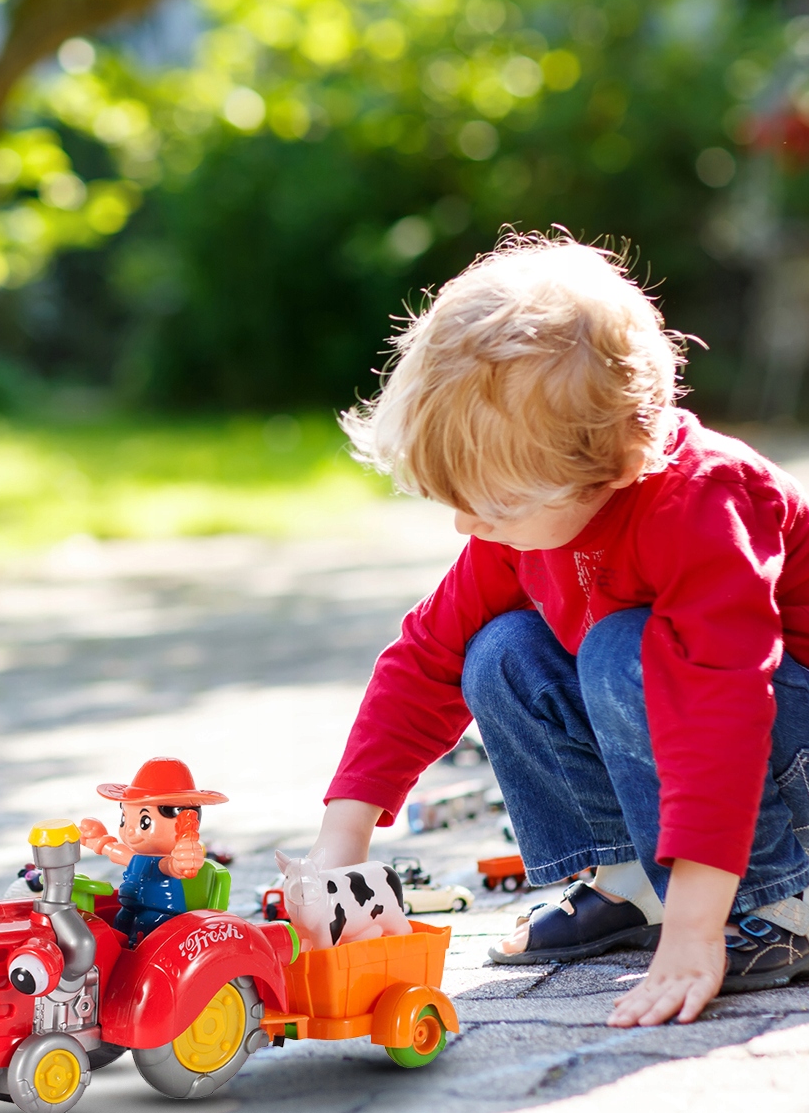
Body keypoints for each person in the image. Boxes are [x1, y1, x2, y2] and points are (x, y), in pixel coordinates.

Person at [308, 233, 809, 1028]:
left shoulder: (706, 504)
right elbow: (421, 662)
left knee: (618, 650)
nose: (470, 523)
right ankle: (632, 881)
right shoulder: (517, 532)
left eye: (495, 504)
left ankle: (776, 902)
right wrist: (340, 848)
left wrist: (695, 930)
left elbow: (724, 712)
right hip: (703, 734)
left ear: (607, 470)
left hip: (777, 747)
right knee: (499, 653)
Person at [78, 757, 226, 943]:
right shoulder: (139, 857)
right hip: (131, 906)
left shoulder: (164, 862)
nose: (130, 829)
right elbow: (116, 851)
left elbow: (172, 867)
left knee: (145, 927)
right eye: (125, 818)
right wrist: (97, 841)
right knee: (120, 921)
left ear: (180, 821)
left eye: (144, 821)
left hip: (160, 913)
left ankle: (134, 959)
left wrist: (182, 862)